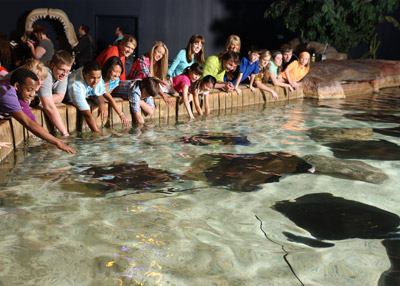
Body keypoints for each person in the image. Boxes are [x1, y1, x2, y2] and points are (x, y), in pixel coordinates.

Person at [0, 68, 76, 154]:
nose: (32, 95)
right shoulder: (8, 96)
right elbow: (28, 123)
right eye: (29, 90)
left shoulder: (10, 90)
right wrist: (57, 142)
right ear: (17, 86)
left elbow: (30, 119)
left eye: (34, 91)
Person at [37, 50, 73, 136]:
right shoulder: (45, 71)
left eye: (68, 71)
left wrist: (40, 100)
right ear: (53, 65)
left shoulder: (63, 73)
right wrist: (65, 134)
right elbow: (48, 106)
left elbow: (60, 96)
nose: (65, 74)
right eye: (62, 70)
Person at [127, 41, 173, 106]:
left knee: (151, 110)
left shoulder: (154, 63)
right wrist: (163, 95)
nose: (160, 56)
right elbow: (149, 77)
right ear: (153, 49)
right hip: (132, 89)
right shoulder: (142, 61)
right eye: (159, 52)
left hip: (142, 89)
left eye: (162, 54)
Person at [66, 61, 107, 134]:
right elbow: (87, 114)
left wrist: (101, 103)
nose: (96, 81)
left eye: (98, 78)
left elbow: (98, 94)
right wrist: (98, 134)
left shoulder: (96, 74)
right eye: (92, 78)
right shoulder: (76, 86)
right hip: (67, 97)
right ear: (84, 74)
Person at [101, 56, 130, 127]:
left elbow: (108, 94)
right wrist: (121, 114)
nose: (116, 74)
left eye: (119, 72)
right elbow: (108, 96)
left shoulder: (115, 80)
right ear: (108, 69)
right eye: (114, 71)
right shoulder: (99, 79)